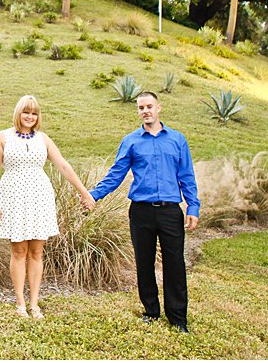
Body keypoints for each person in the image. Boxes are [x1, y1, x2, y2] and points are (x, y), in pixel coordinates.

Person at [84, 91, 200, 333]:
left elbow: (186, 176)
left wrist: (193, 206)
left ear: (159, 108)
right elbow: (116, 174)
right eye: (140, 108)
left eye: (149, 106)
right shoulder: (131, 141)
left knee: (175, 264)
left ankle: (178, 319)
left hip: (170, 212)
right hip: (141, 212)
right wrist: (93, 194)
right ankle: (151, 311)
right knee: (144, 263)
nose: (145, 111)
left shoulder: (177, 140)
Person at [0, 95, 92, 319]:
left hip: (40, 197)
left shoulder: (43, 139)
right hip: (13, 196)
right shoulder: (2, 137)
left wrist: (83, 191)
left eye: (34, 113)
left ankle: (34, 303)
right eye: (26, 112)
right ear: (18, 113)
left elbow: (63, 165)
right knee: (18, 250)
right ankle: (20, 303)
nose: (30, 117)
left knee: (36, 251)